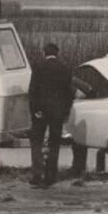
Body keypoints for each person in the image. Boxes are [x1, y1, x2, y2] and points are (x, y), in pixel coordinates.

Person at [28, 43, 73, 187]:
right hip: (57, 112)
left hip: (40, 111)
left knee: (37, 142)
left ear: (44, 53)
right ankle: (51, 175)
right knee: (54, 143)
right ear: (57, 53)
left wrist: (34, 110)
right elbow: (69, 93)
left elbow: (32, 91)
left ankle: (37, 174)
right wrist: (66, 111)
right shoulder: (65, 68)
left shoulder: (38, 66)